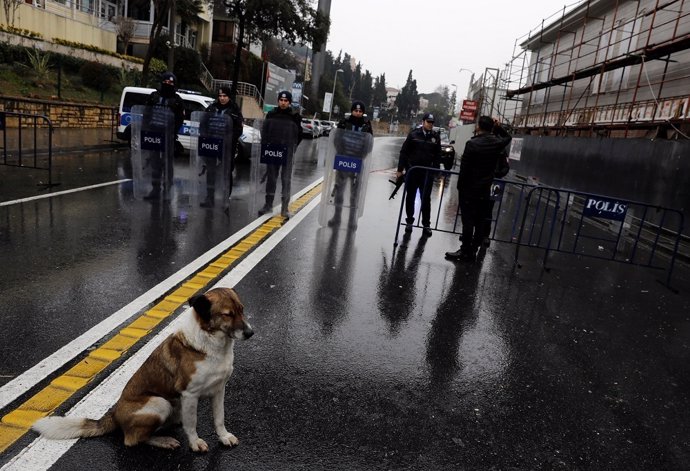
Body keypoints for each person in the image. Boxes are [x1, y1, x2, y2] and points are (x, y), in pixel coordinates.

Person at [445, 116, 512, 262]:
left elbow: (465, 168)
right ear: (491, 127)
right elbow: (508, 137)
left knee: (468, 221)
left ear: (479, 127)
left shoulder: (472, 144)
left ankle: (465, 251)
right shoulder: (496, 143)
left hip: (469, 188)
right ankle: (473, 250)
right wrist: (498, 127)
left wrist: (460, 187)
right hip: (484, 188)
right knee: (480, 220)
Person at [328, 100, 374, 228]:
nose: (358, 113)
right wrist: (341, 153)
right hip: (343, 161)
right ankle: (336, 218)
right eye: (355, 110)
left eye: (360, 111)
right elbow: (336, 140)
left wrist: (361, 156)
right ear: (352, 111)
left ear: (363, 113)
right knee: (339, 192)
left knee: (354, 195)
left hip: (358, 163)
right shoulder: (344, 123)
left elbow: (369, 144)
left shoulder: (367, 125)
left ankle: (351, 221)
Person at [395, 112, 441, 237]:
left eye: (432, 123)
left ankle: (426, 225)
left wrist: (435, 170)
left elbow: (437, 156)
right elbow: (404, 152)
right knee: (410, 197)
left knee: (425, 199)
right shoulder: (414, 134)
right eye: (428, 122)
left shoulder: (436, 137)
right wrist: (400, 169)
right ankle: (409, 221)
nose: (430, 124)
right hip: (413, 172)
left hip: (426, 174)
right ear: (423, 122)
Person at [258, 90, 302, 218]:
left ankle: (284, 208)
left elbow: (299, 134)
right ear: (278, 101)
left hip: (287, 152)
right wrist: (266, 146)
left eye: (286, 101)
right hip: (272, 150)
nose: (283, 103)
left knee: (286, 180)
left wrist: (292, 148)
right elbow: (264, 131)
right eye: (281, 100)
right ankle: (268, 205)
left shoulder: (295, 116)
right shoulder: (271, 114)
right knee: (271, 179)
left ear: (289, 102)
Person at [142, 71, 185, 200]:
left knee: (167, 165)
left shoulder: (177, 100)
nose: (168, 84)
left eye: (171, 83)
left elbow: (180, 119)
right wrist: (146, 131)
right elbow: (146, 115)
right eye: (166, 82)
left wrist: (173, 133)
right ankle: (155, 189)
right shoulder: (153, 96)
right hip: (154, 135)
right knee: (154, 163)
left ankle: (167, 190)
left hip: (168, 137)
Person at [199, 86, 244, 208]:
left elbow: (238, 129)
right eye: (220, 96)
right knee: (211, 172)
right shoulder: (211, 108)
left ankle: (225, 198)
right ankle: (210, 197)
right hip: (211, 145)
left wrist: (229, 139)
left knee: (226, 172)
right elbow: (203, 124)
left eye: (224, 96)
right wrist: (205, 137)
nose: (222, 98)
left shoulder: (234, 110)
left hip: (227, 147)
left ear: (229, 97)